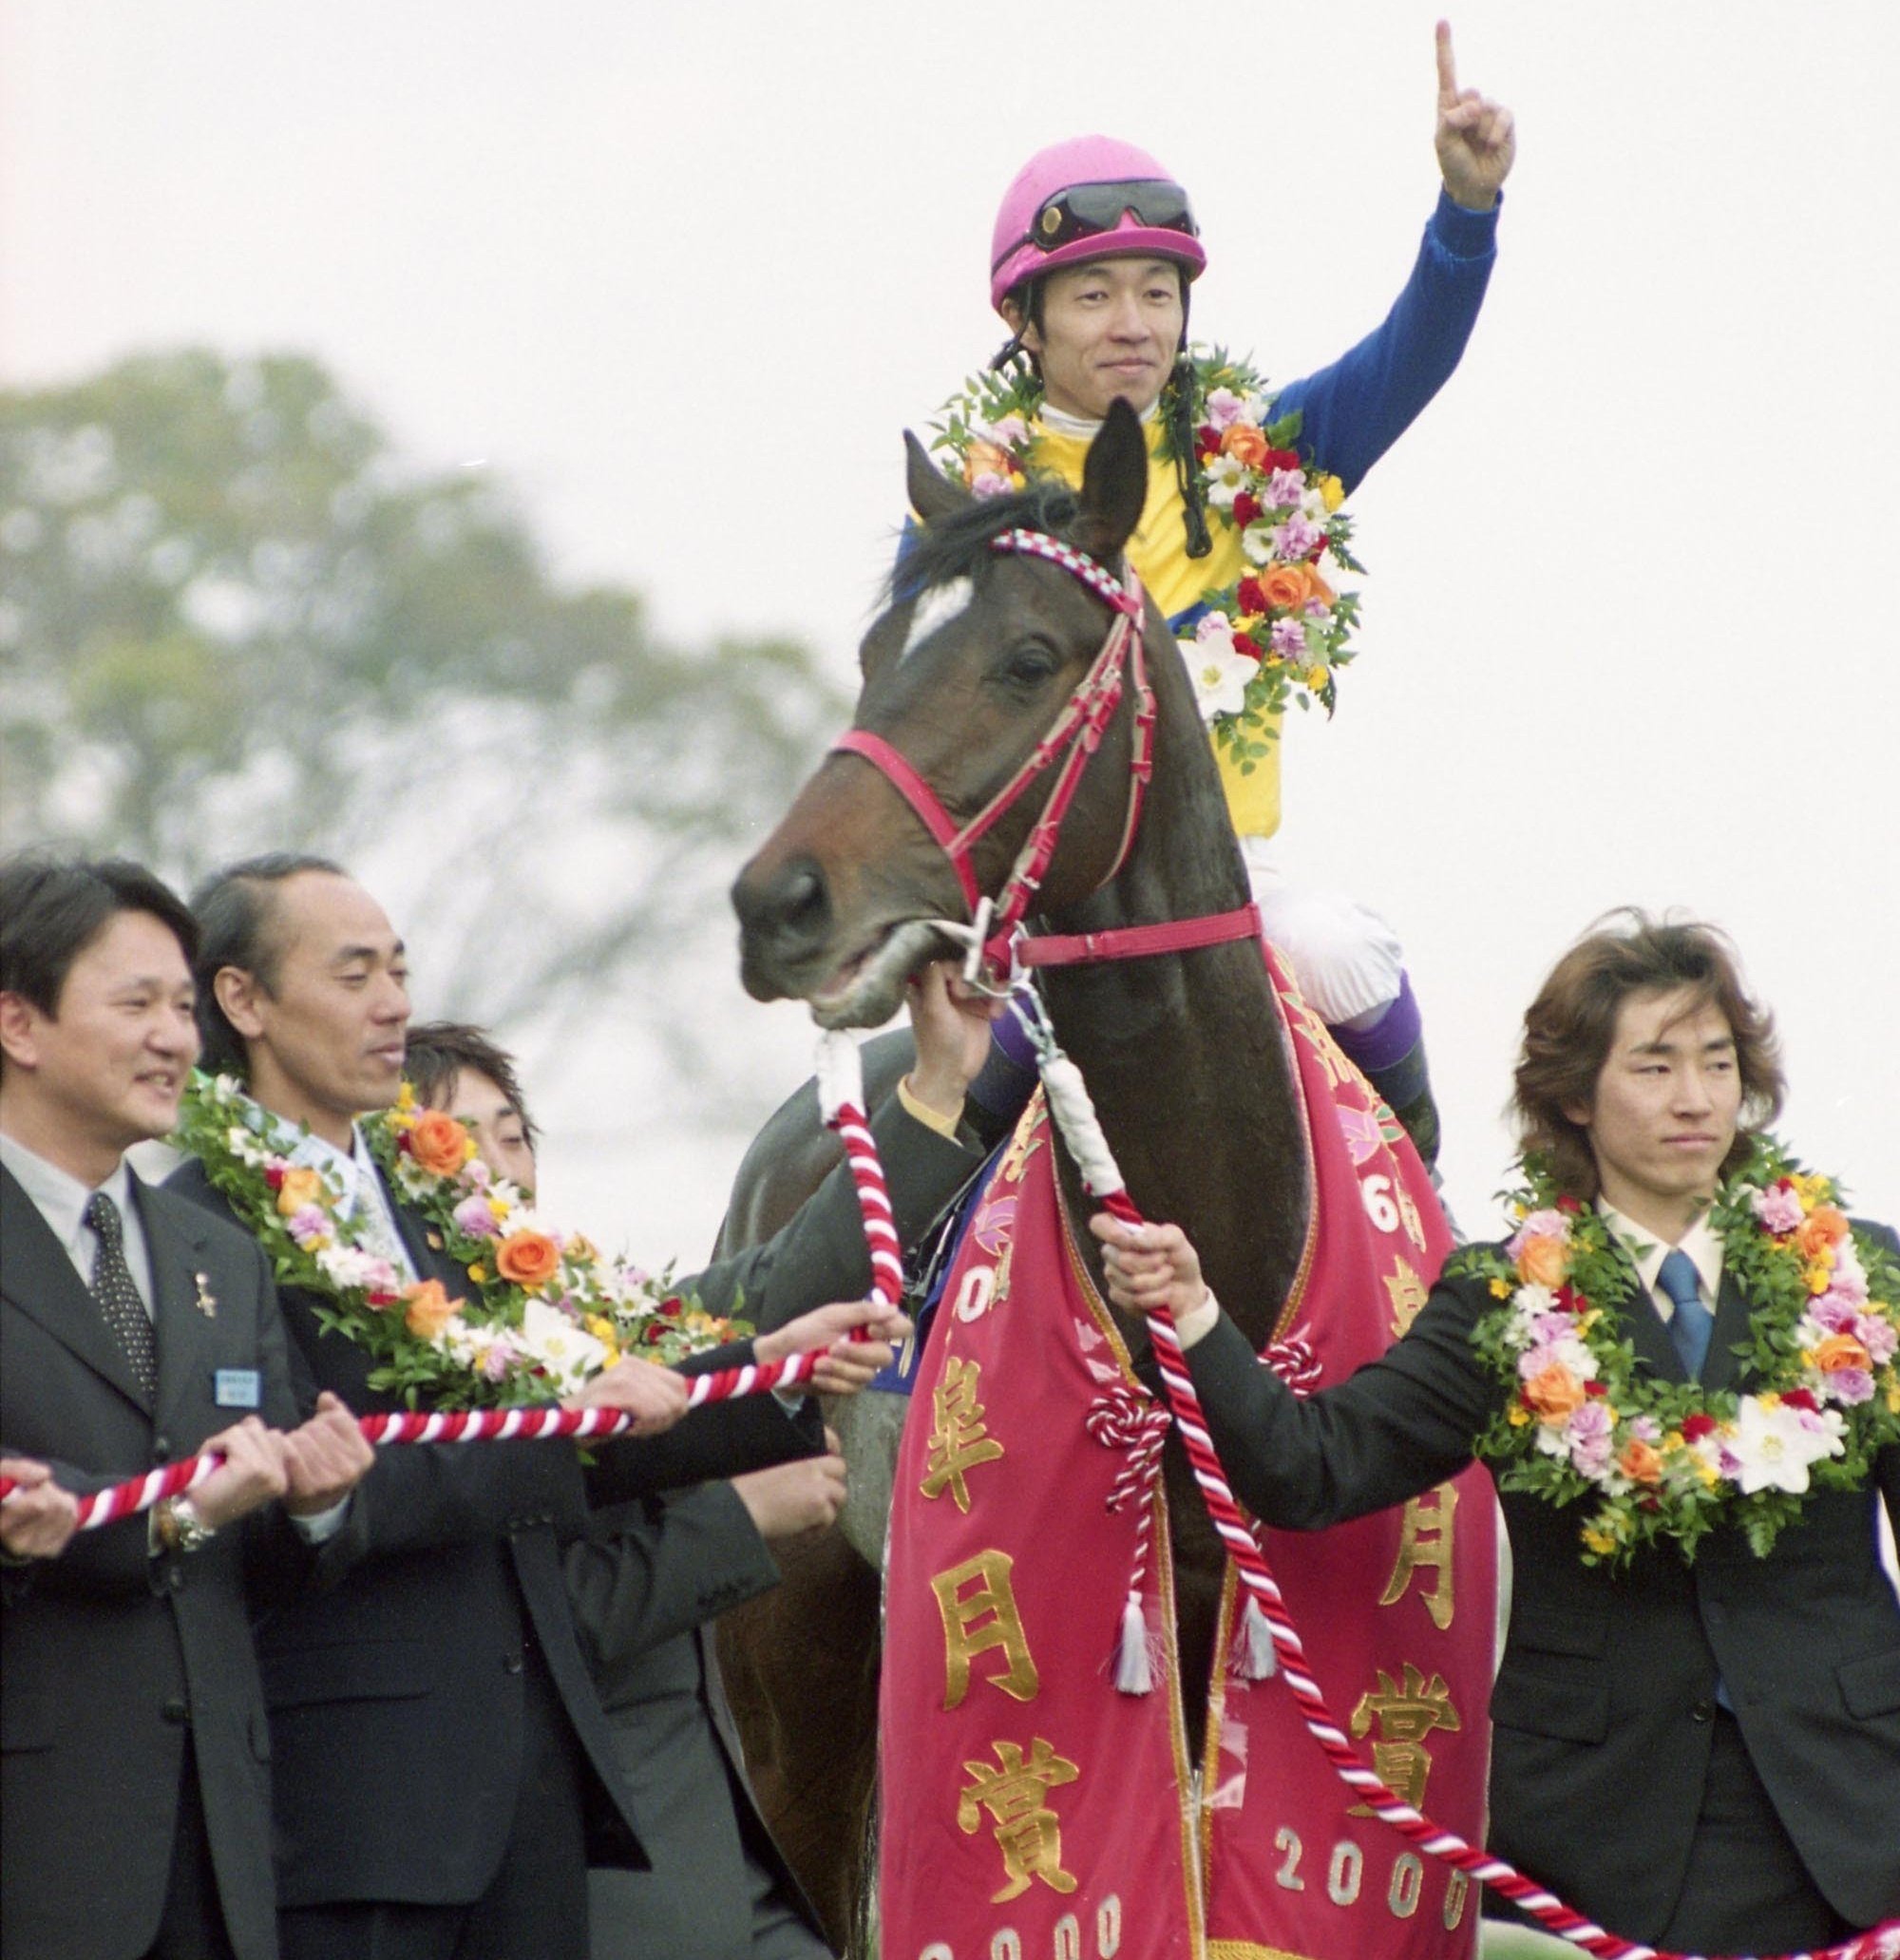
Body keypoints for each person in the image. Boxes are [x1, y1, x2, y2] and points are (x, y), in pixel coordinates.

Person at [167, 854, 995, 1959]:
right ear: (242, 1000)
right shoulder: (201, 1231)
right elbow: (315, 1499)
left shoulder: (438, 1212)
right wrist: (619, 1448)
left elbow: (603, 1406)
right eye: (354, 971)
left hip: (538, 1812)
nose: (392, 1002)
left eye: (399, 969)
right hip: (357, 1820)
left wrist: (769, 1367)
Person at [1092, 913, 1900, 1949]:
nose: (1695, 1097)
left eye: (1715, 1060)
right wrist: (1196, 1314)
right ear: (1573, 1093)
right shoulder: (1504, 1298)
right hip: (1599, 1836)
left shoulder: (1858, 1277)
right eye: (1653, 1065)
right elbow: (1306, 1467)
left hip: (1852, 1816)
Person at [929, 21, 1515, 1164]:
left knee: (1343, 950)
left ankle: (1427, 1228)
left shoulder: (1262, 455)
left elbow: (1413, 355)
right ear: (1024, 318)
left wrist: (1465, 214)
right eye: (1093, 295)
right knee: (978, 1048)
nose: (1133, 323)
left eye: (1156, 291)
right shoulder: (970, 503)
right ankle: (910, 1312)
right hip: (1044, 898)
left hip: (1226, 877)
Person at [405, 1018, 858, 1959]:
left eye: (513, 1132)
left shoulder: (596, 1322)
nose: (501, 1163)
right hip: (591, 1882)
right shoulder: (420, 1370)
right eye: (458, 1135)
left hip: (728, 1865)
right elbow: (526, 1624)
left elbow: (783, 1274)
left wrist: (953, 1090)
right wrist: (743, 1517)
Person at [0, 854, 371, 1960]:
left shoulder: (220, 1254)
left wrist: (314, 1506)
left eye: (180, 1005)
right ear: (19, 1024)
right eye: (135, 1004)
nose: (176, 1037)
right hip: (35, 1846)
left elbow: (266, 1571)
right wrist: (180, 1514)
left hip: (216, 1851)